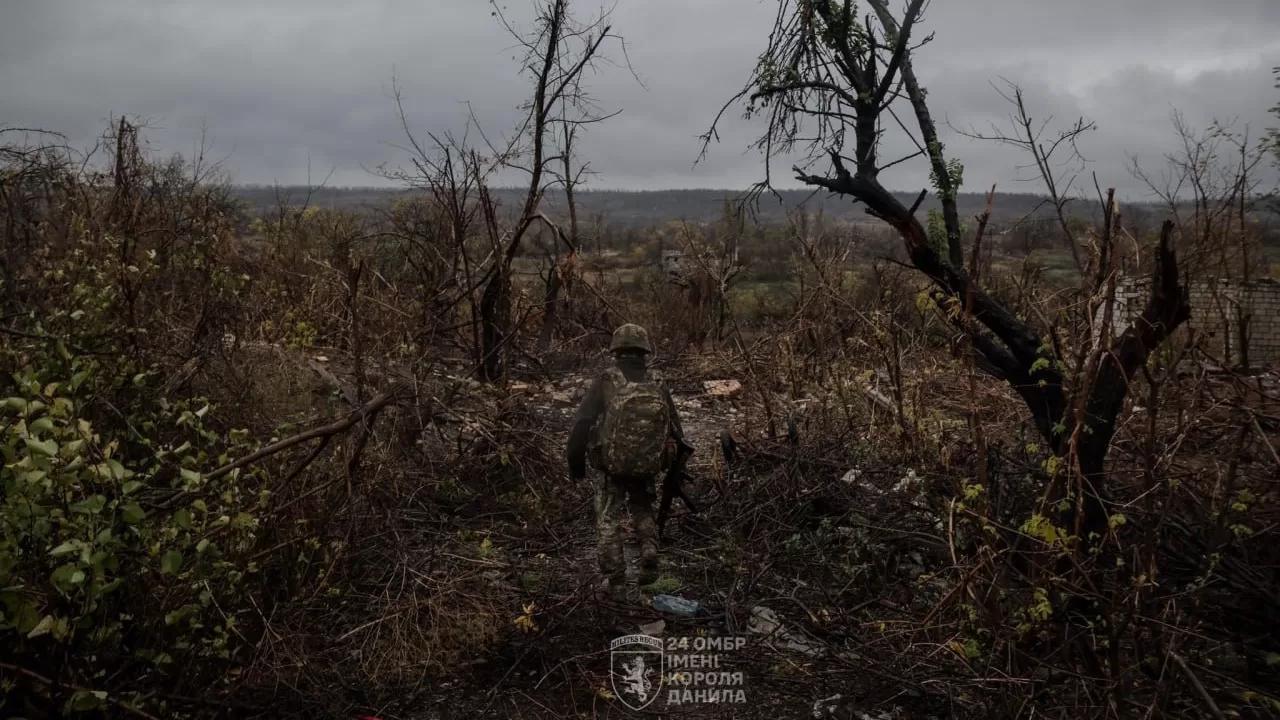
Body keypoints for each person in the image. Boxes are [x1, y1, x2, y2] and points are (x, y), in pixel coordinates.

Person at [567, 323, 690, 594]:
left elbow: (582, 424)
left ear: (616, 350)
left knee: (608, 518)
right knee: (643, 508)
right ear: (644, 351)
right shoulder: (657, 381)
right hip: (647, 464)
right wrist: (670, 462)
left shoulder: (607, 381)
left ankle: (616, 580)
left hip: (611, 466)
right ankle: (649, 551)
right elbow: (676, 428)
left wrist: (575, 464)